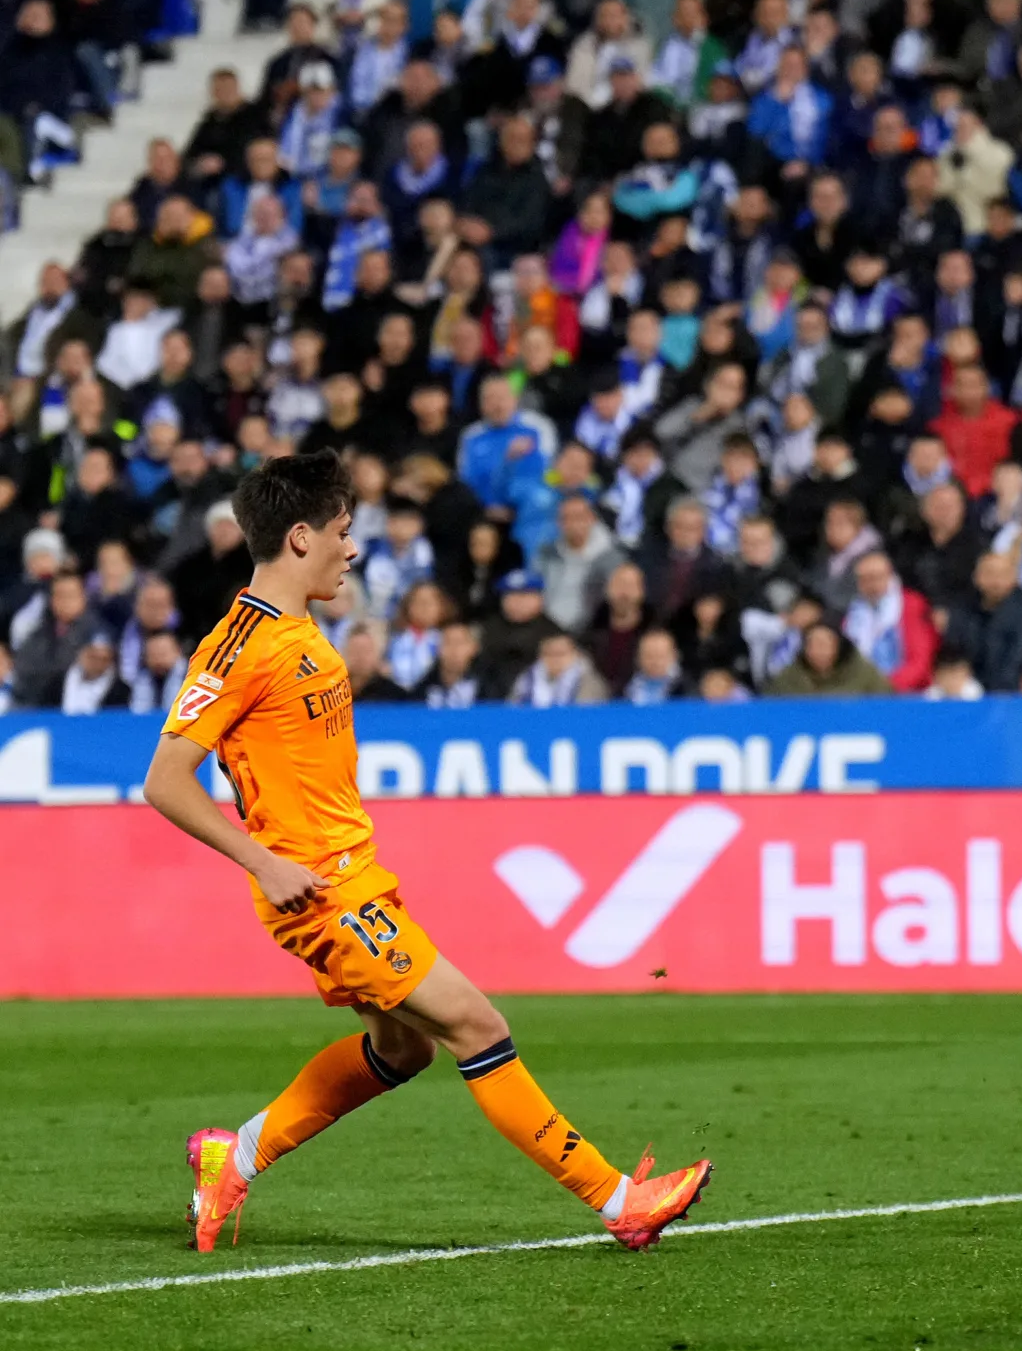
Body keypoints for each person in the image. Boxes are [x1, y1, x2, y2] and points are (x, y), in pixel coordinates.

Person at [144, 452, 712, 1255]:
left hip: (354, 875)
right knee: (477, 1025)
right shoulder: (241, 646)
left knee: (402, 1049)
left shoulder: (296, 628)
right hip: (321, 892)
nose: (352, 548)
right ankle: (621, 1200)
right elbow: (165, 781)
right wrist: (264, 863)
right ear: (300, 537)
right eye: (343, 531)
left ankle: (230, 1157)